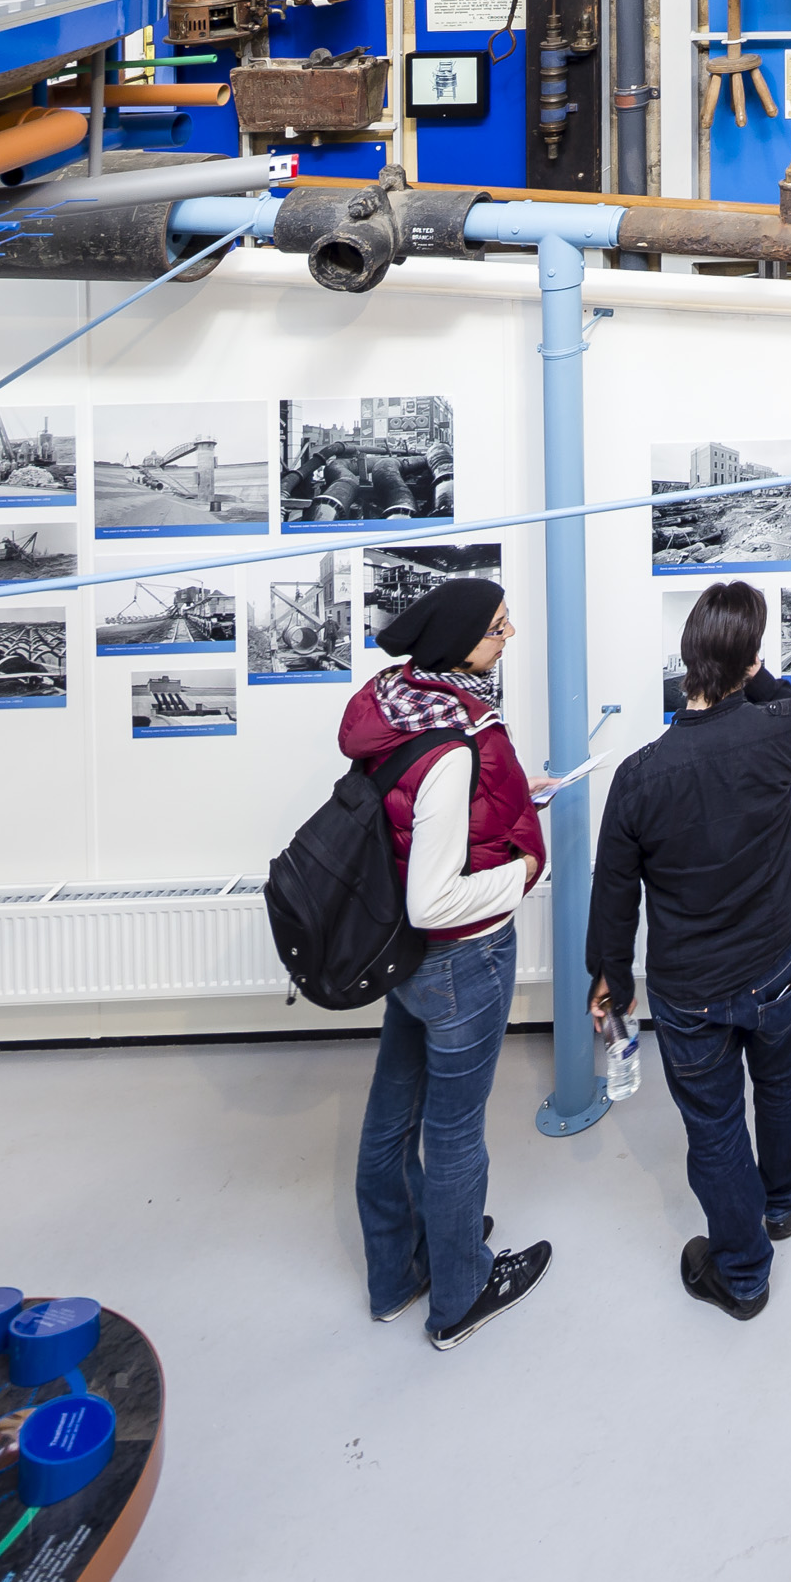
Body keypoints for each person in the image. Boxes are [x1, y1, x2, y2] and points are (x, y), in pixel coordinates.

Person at [589, 581, 791, 1321]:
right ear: (749, 660)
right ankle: (786, 1197)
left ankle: (743, 1273)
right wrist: (756, 676)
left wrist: (610, 978)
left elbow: (614, 891)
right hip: (775, 963)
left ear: (688, 659)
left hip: (691, 988)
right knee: (784, 1081)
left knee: (715, 1127)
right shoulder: (773, 734)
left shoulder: (639, 775)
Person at [346, 576, 562, 1348]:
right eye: (498, 626)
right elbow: (434, 899)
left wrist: (515, 795)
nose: (510, 636)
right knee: (455, 1131)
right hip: (461, 958)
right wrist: (524, 871)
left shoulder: (401, 703)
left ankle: (396, 1274)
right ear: (459, 642)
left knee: (391, 1117)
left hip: (406, 963)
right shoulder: (456, 745)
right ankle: (462, 1292)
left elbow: (422, 818)